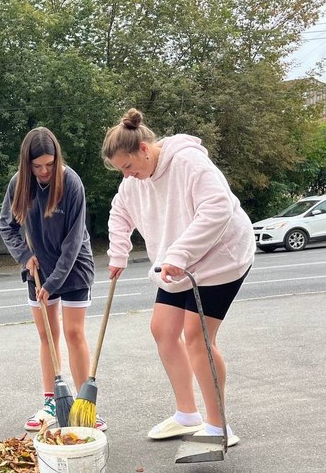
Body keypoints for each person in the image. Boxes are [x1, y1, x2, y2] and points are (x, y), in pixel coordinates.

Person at [103, 108, 254, 446]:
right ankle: (187, 415)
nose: (126, 175)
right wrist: (118, 253)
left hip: (221, 258)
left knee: (197, 337)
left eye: (127, 166)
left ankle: (218, 425)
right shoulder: (133, 183)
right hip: (177, 263)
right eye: (120, 170)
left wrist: (179, 254)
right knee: (162, 329)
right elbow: (119, 213)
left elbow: (217, 208)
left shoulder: (188, 161)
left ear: (144, 149)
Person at [0, 127, 105, 432]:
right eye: (37, 166)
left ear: (57, 158)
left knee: (73, 333)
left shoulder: (71, 182)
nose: (44, 171)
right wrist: (24, 255)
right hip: (38, 268)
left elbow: (73, 241)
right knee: (47, 334)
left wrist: (53, 282)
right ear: (27, 164)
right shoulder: (19, 184)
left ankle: (85, 405)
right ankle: (51, 403)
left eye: (49, 164)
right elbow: (6, 226)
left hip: (74, 266)